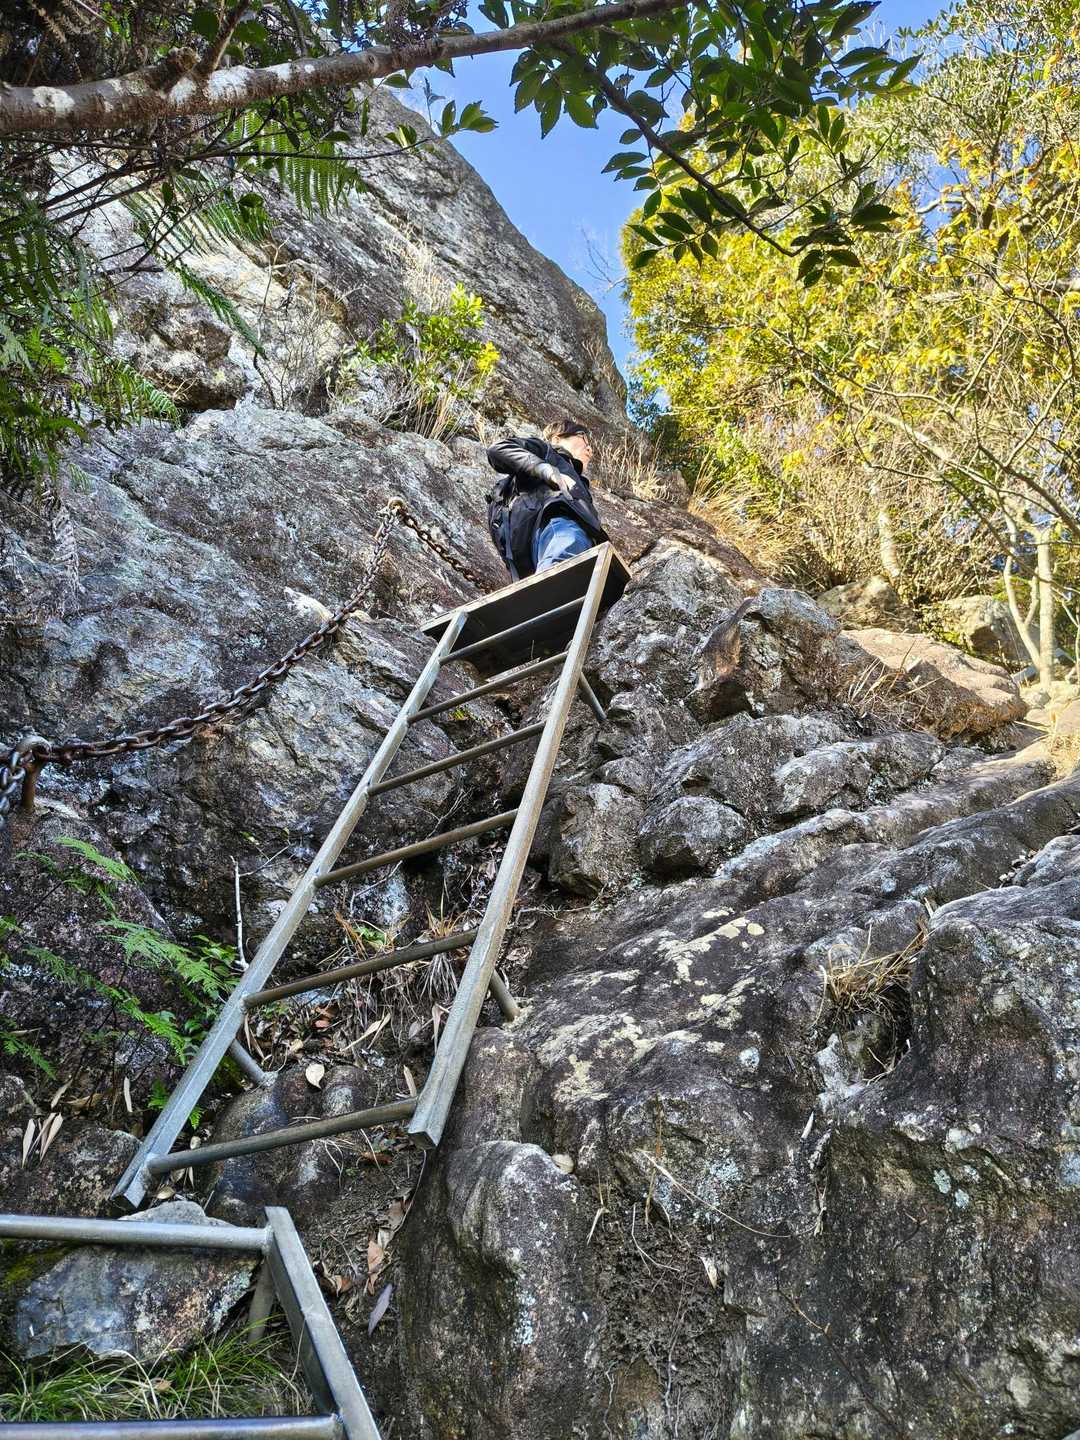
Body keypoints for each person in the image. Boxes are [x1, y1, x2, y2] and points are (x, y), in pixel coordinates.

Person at [485, 419, 609, 579]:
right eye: (583, 437)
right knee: (566, 557)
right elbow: (498, 449)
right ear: (557, 439)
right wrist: (547, 471)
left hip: (530, 551)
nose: (590, 449)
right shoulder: (547, 452)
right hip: (554, 526)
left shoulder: (576, 478)